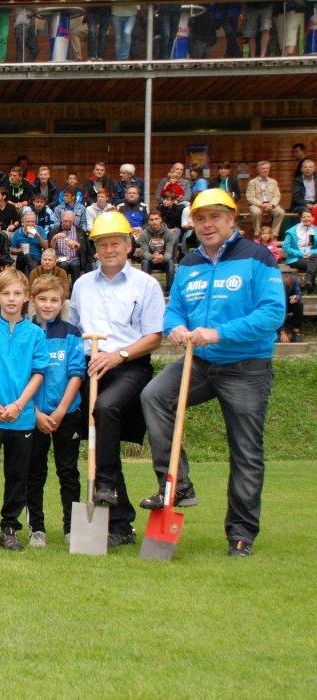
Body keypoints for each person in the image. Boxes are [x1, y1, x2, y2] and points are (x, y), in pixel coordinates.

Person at [141, 189, 284, 557]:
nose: (207, 224)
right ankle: (178, 484)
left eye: (215, 217)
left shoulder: (257, 256)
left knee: (245, 452)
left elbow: (272, 314)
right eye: (201, 218)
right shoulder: (189, 263)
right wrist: (175, 327)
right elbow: (175, 309)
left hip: (247, 367)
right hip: (200, 363)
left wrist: (219, 333)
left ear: (231, 219)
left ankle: (241, 535)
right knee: (154, 396)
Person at [68, 211, 164, 548]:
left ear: (128, 246)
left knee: (106, 408)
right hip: (91, 365)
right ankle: (121, 524)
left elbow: (154, 337)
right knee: (99, 438)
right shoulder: (82, 284)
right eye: (102, 244)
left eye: (115, 244)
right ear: (95, 249)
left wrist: (118, 355)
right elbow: (75, 329)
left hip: (129, 364)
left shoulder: (146, 285)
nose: (109, 250)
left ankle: (106, 483)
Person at [0, 267, 48, 553]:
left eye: (17, 293)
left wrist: (19, 405)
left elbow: (38, 373)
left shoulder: (36, 334)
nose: (11, 299)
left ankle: (10, 527)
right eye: (5, 293)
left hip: (21, 417)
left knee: (17, 474)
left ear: (26, 297)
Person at [26, 276, 85, 548]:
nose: (48, 305)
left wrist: (61, 411)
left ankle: (73, 527)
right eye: (42, 299)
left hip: (66, 413)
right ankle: (36, 528)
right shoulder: (25, 332)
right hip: (33, 415)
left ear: (63, 303)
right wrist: (35, 412)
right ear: (32, 300)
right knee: (34, 472)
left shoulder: (71, 333)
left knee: (68, 472)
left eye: (54, 300)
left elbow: (76, 373)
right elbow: (19, 378)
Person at [137, 211, 178, 292]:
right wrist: (153, 257)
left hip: (164, 261)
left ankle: (170, 290)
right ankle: (146, 290)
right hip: (150, 261)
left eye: (156, 219)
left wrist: (162, 257)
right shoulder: (144, 234)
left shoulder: (169, 234)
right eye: (151, 220)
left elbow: (169, 253)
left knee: (170, 262)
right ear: (148, 221)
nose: (154, 222)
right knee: (144, 262)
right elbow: (144, 252)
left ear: (160, 219)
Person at [245, 160, 285, 236]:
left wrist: (272, 204)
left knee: (280, 212)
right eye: (263, 168)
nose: (265, 170)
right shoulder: (252, 182)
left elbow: (277, 196)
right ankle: (257, 234)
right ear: (258, 170)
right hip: (258, 205)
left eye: (267, 168)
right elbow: (250, 197)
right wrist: (261, 205)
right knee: (256, 212)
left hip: (271, 205)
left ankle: (273, 235)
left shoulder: (273, 182)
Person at [283, 209, 316, 292]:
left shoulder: (314, 231)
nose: (306, 218)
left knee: (314, 260)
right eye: (304, 217)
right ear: (301, 219)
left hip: (312, 258)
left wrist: (310, 253)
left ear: (313, 218)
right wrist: (302, 254)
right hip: (296, 259)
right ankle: (310, 287)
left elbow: (312, 247)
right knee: (314, 262)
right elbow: (286, 247)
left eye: (308, 216)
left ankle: (308, 283)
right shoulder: (293, 231)